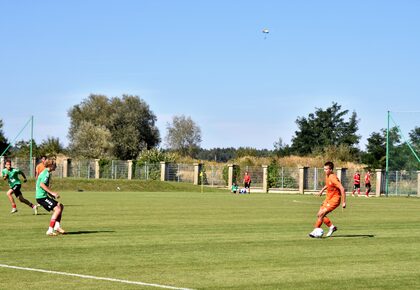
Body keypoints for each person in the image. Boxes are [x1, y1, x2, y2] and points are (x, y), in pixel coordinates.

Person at [309, 161, 346, 238]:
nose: (325, 171)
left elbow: (342, 189)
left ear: (331, 170)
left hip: (334, 200)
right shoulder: (327, 176)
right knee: (319, 214)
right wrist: (322, 190)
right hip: (328, 198)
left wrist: (344, 202)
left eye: (326, 169)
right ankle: (332, 227)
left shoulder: (333, 177)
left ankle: (315, 231)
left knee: (321, 214)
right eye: (324, 169)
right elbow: (328, 184)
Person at [36, 159, 66, 236]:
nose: (56, 166)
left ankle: (57, 226)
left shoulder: (46, 173)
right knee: (57, 209)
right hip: (41, 197)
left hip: (44, 196)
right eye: (55, 165)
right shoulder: (46, 173)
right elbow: (42, 185)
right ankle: (50, 230)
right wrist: (52, 193)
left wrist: (50, 195)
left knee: (60, 206)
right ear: (50, 165)